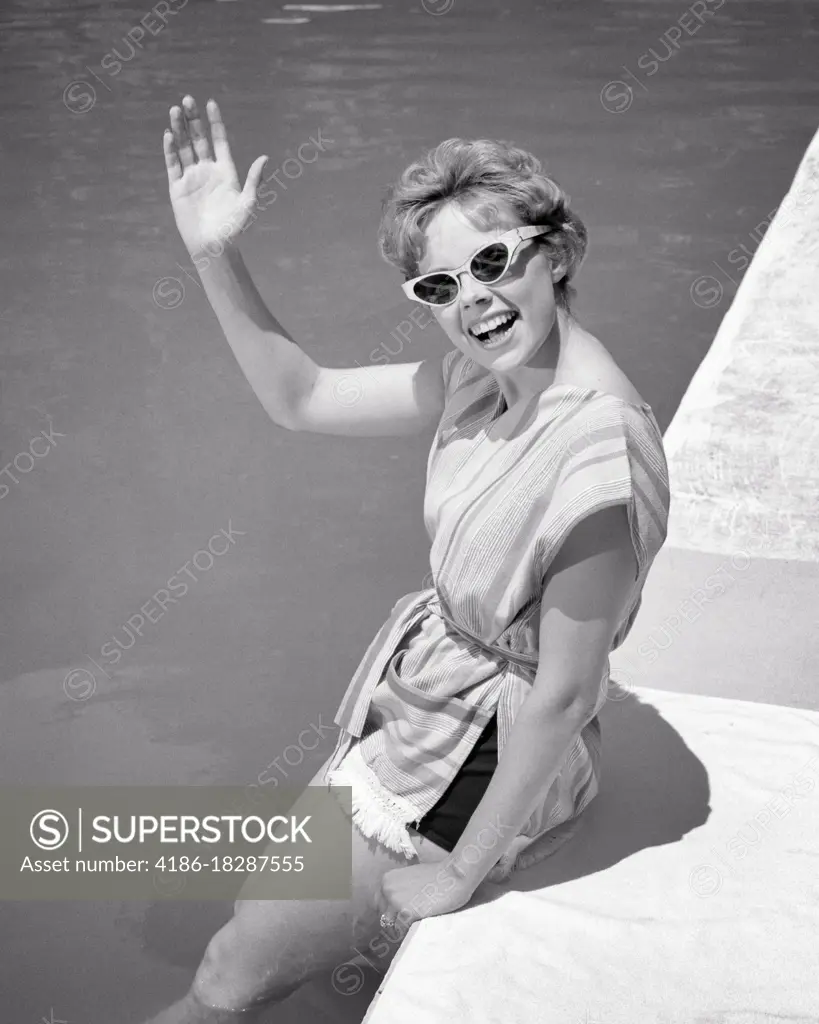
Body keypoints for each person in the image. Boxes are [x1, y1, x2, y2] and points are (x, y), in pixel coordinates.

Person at [146, 94, 670, 1022]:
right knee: (267, 944)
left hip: (471, 762)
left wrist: (459, 873)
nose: (472, 299)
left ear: (554, 252)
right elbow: (301, 397)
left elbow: (565, 691)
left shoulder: (598, 449)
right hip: (417, 711)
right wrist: (212, 252)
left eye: (492, 261)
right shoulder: (484, 373)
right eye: (440, 287)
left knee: (230, 974)